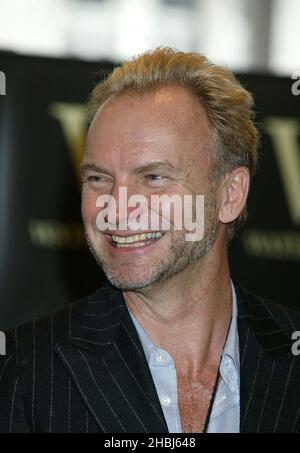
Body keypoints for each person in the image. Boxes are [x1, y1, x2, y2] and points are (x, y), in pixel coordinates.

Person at [0, 47, 299, 433]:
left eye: (154, 177)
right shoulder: (23, 373)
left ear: (230, 194)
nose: (118, 208)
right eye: (98, 178)